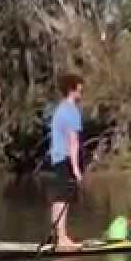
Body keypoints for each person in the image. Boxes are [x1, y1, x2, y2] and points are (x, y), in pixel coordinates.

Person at [47, 72, 85, 249]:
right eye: (79, 87)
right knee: (63, 199)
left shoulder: (60, 108)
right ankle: (62, 239)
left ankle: (57, 235)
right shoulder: (71, 111)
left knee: (59, 198)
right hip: (65, 158)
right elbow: (73, 141)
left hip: (56, 158)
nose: (81, 90)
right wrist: (76, 168)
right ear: (72, 89)